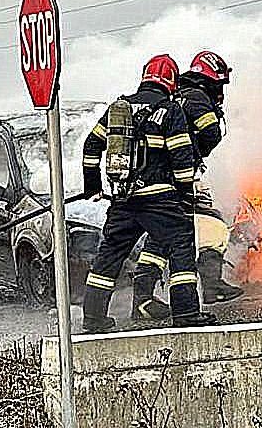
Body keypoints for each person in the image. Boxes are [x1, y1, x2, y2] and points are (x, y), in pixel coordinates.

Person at [80, 54, 215, 333]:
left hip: (123, 200)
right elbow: (181, 156)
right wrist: (184, 193)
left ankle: (93, 318)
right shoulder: (170, 109)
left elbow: (91, 145)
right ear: (171, 82)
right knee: (180, 244)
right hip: (159, 199)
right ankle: (186, 312)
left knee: (109, 256)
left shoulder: (120, 108)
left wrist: (91, 185)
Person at [132, 50, 243, 319]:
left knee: (160, 236)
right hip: (178, 177)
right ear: (210, 80)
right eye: (219, 85)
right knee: (214, 227)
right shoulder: (197, 98)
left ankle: (142, 298)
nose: (220, 92)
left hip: (157, 178)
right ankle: (209, 288)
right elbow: (210, 133)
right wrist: (194, 157)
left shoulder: (174, 96)